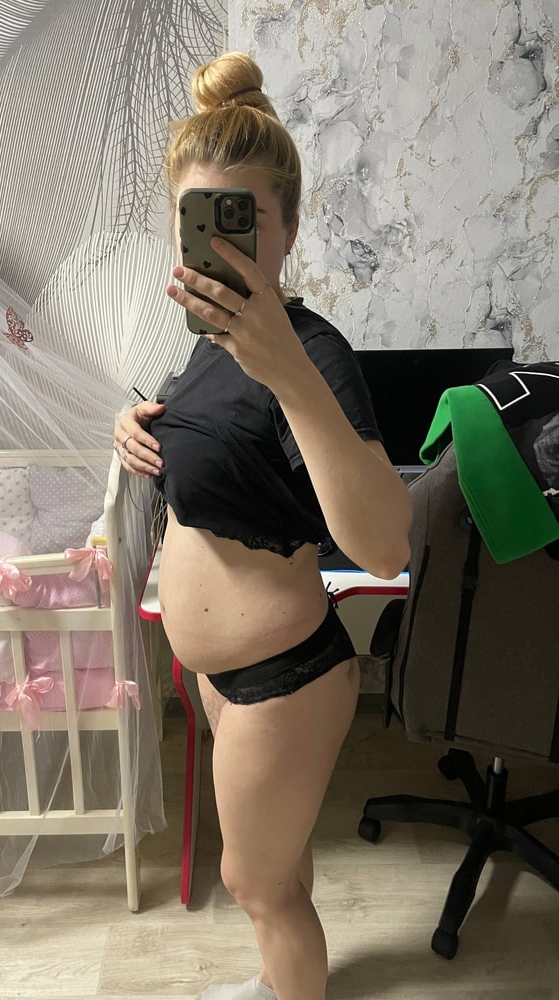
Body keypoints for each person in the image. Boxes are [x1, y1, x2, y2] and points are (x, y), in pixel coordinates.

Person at [115, 51, 412, 1000]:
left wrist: (286, 367)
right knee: (278, 872)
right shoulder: (209, 344)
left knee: (254, 883)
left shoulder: (312, 352)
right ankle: (282, 982)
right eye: (197, 222)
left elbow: (386, 544)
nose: (220, 246)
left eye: (241, 220)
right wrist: (138, 426)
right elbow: (220, 449)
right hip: (224, 677)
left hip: (284, 677)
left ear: (286, 226)